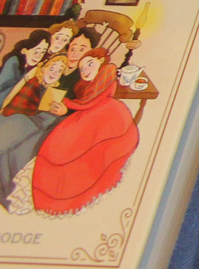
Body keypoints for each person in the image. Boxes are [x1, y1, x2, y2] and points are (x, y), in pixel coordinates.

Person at [31, 49, 138, 215]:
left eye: (90, 64)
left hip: (107, 116)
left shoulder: (106, 75)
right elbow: (83, 103)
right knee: (59, 142)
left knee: (74, 146)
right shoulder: (84, 84)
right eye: (82, 68)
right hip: (90, 113)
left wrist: (67, 103)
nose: (85, 70)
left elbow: (87, 103)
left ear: (100, 62)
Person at [0, 56, 73, 198]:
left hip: (27, 123)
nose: (54, 73)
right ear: (44, 68)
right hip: (16, 119)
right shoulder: (33, 83)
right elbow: (17, 105)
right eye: (52, 68)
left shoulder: (52, 93)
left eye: (59, 71)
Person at [0, 32, 51, 103]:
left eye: (42, 52)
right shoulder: (14, 61)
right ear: (24, 50)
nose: (38, 56)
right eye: (36, 52)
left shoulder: (30, 68)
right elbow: (2, 86)